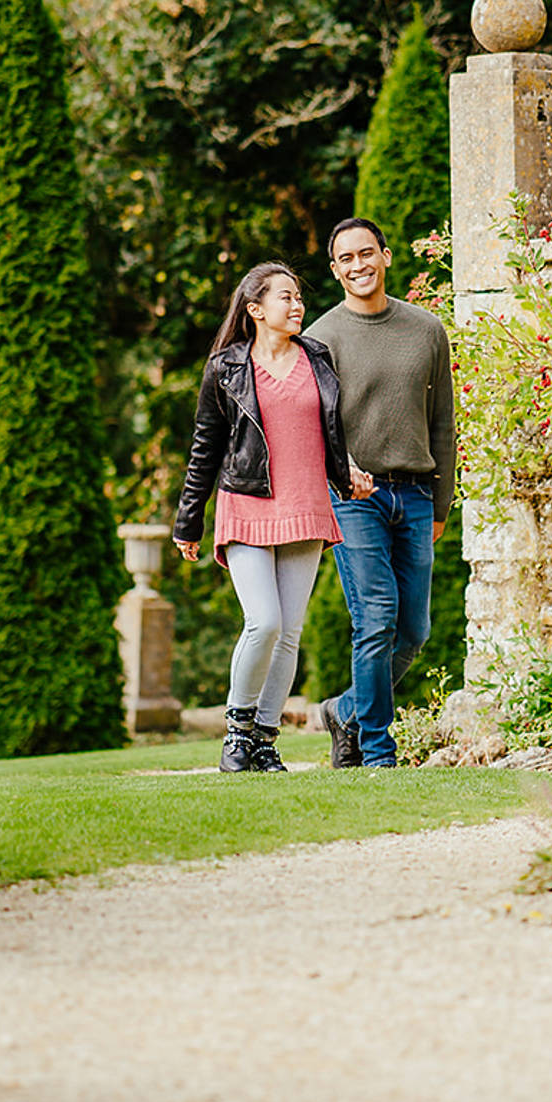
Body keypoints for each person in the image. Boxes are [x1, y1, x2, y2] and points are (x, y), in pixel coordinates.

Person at [173, 262, 372, 772]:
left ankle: (264, 739)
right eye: (286, 297)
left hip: (306, 506)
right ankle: (236, 734)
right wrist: (188, 520)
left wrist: (346, 473)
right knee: (263, 622)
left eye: (299, 296)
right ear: (255, 309)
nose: (297, 304)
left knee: (289, 633)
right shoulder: (227, 368)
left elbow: (330, 432)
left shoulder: (318, 358)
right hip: (247, 504)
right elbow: (205, 447)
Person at [304, 217, 456, 770]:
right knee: (375, 618)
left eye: (366, 253)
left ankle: (345, 710)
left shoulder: (427, 329)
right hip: (354, 498)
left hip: (415, 495)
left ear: (386, 256)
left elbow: (443, 421)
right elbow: (311, 427)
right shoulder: (321, 338)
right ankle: (376, 752)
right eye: (346, 259)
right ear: (334, 270)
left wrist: (441, 502)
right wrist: (340, 474)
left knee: (413, 631)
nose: (358, 266)